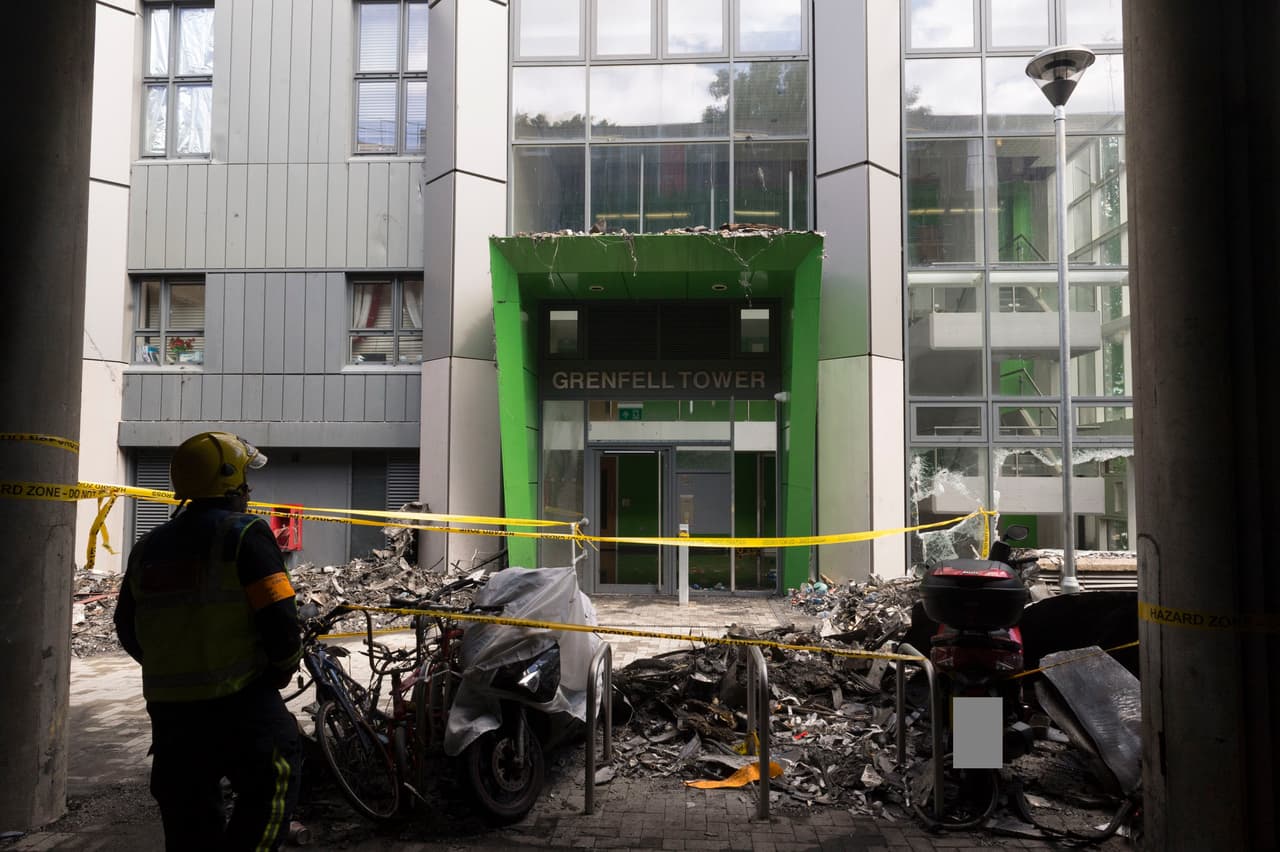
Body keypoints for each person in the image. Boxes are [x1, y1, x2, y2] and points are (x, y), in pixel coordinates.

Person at [114, 432, 303, 851]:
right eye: (245, 482)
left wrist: (171, 668)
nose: (249, 491)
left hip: (171, 715)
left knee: (188, 820)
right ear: (231, 481)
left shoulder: (148, 546)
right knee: (274, 782)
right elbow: (280, 620)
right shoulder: (244, 534)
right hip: (240, 702)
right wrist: (280, 668)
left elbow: (126, 627)